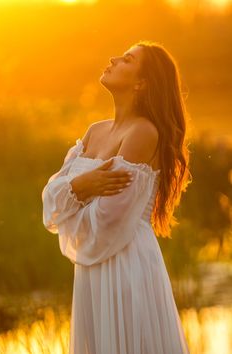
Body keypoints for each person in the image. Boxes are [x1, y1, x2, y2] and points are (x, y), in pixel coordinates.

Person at [42, 40, 192, 354]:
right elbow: (51, 199)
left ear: (141, 83)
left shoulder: (142, 133)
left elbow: (106, 221)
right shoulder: (95, 131)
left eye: (126, 60)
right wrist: (84, 186)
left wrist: (75, 196)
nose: (112, 59)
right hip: (92, 268)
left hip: (124, 264)